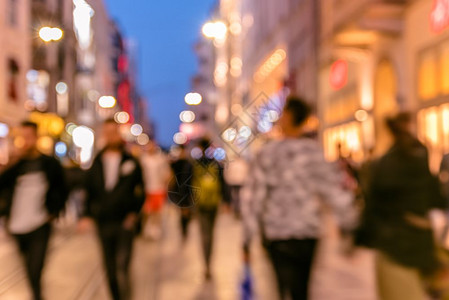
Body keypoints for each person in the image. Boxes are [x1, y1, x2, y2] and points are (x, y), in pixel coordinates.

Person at [241, 97, 356, 300]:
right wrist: (349, 224)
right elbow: (333, 191)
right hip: (307, 231)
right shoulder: (313, 152)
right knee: (301, 289)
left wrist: (247, 238)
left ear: (289, 116)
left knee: (282, 287)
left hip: (277, 233)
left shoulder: (268, 153)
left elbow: (255, 197)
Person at [357, 112, 446, 300]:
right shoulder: (421, 157)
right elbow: (436, 199)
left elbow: (373, 206)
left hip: (394, 245)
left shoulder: (385, 164)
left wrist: (361, 237)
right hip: (421, 242)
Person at [0, 121, 68, 300]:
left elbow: (61, 188)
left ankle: (37, 297)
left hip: (41, 225)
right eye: (23, 138)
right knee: (27, 268)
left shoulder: (49, 164)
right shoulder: (16, 165)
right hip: (17, 226)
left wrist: (54, 213)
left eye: (29, 137)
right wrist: (12, 161)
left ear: (36, 137)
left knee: (35, 268)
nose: (26, 141)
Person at [79, 119, 145, 300]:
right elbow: (89, 190)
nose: (110, 136)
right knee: (109, 268)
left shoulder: (130, 161)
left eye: (113, 132)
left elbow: (140, 190)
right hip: (104, 221)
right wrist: (86, 215)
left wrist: (134, 213)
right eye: (107, 133)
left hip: (125, 221)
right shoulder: (97, 162)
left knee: (123, 265)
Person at [192, 138, 229, 279]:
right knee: (211, 234)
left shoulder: (195, 164)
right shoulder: (217, 164)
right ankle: (209, 262)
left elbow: (187, 184)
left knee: (204, 234)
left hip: (200, 204)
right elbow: (223, 184)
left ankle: (206, 263)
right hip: (213, 204)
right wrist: (226, 201)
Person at [140, 140, 171, 240]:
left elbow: (167, 173)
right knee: (147, 211)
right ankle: (147, 229)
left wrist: (165, 183)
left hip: (158, 189)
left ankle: (156, 230)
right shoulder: (143, 159)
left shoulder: (160, 159)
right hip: (146, 189)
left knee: (157, 211)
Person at [169, 144, 195, 240]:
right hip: (180, 191)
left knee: (185, 210)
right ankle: (184, 228)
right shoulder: (178, 164)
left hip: (186, 191)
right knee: (183, 210)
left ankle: (184, 228)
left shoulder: (189, 164)